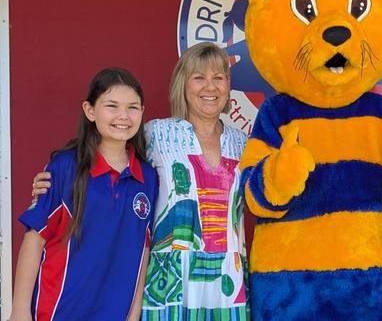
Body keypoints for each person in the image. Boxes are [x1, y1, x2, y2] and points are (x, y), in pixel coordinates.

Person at [30, 43, 249, 320]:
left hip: (227, 281)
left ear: (228, 85)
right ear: (183, 84)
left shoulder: (243, 143)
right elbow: (106, 159)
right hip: (168, 283)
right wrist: (53, 182)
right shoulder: (156, 134)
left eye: (219, 78)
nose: (210, 87)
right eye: (199, 77)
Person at [10, 68, 157, 321]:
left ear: (142, 112)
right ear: (90, 111)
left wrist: (134, 314)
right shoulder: (65, 168)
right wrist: (20, 311)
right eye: (112, 105)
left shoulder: (148, 177)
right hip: (58, 311)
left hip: (115, 313)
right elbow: (34, 240)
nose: (123, 116)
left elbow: (144, 249)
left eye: (133, 107)